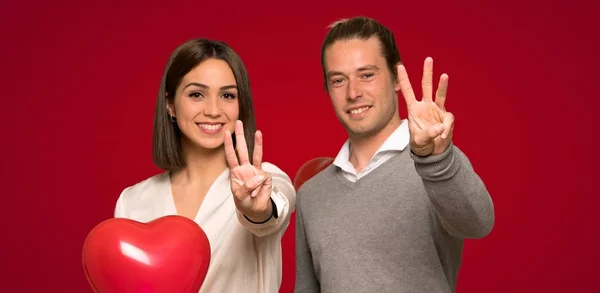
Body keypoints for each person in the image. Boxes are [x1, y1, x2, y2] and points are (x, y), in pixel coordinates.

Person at [294, 16, 495, 293]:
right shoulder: (311, 195)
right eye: (339, 80)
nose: (353, 92)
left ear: (396, 78)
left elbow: (478, 224)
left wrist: (437, 161)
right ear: (327, 89)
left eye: (367, 74)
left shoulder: (436, 165)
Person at [114, 38, 296, 293]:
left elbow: (269, 214)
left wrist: (256, 210)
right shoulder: (132, 201)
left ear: (240, 106)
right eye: (196, 94)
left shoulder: (267, 180)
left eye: (227, 95)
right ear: (170, 104)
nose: (213, 110)